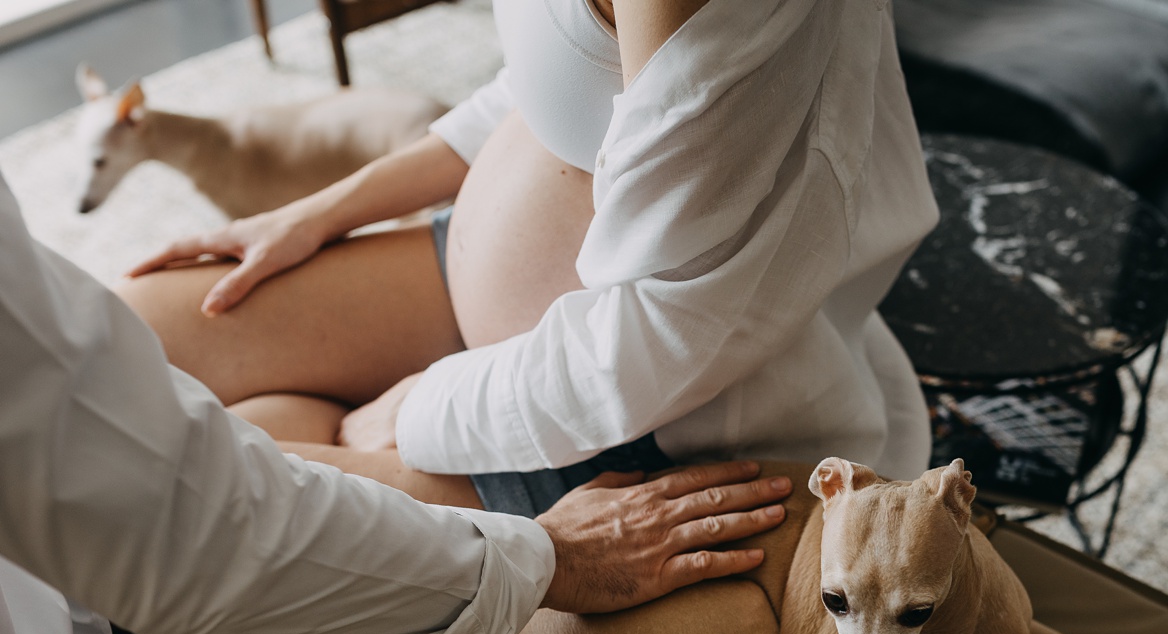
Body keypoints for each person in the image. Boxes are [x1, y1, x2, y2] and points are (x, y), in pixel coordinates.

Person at [0, 171, 794, 634]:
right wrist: (549, 555)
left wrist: (329, 205)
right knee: (271, 441)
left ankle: (335, 422)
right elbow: (207, 546)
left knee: (182, 344)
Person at [115, 0, 939, 516]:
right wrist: (321, 211)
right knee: (117, 342)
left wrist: (414, 412)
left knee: (183, 467)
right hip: (490, 308)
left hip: (636, 419)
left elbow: (664, 339)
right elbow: (551, 75)